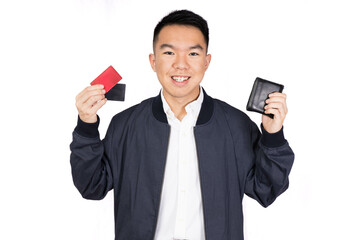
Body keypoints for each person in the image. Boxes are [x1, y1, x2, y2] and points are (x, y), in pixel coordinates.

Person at [70, 9, 294, 240]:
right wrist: (87, 126)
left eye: (193, 54)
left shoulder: (236, 125)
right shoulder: (125, 124)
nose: (181, 65)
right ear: (153, 61)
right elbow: (92, 186)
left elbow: (266, 190)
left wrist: (273, 136)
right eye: (169, 52)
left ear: (207, 61)